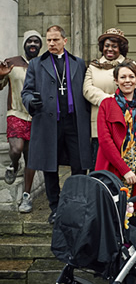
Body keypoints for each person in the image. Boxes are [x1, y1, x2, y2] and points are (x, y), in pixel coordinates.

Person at [21, 25, 92, 224]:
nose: (52, 43)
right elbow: (26, 92)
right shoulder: (36, 64)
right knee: (49, 166)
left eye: (56, 40)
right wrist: (30, 103)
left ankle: (76, 205)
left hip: (74, 122)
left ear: (65, 41)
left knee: (79, 165)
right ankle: (55, 207)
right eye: (49, 40)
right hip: (47, 122)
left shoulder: (78, 63)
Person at [95, 59, 136, 224]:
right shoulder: (106, 105)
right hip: (114, 169)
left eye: (131, 76)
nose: (127, 80)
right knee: (112, 215)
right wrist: (125, 170)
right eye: (123, 77)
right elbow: (105, 141)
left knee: (135, 216)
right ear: (116, 80)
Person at [83, 28, 136, 170]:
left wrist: (118, 101)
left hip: (124, 124)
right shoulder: (93, 66)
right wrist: (109, 100)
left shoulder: (130, 64)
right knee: (99, 166)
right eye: (107, 45)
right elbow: (87, 89)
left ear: (120, 48)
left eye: (114, 46)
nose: (110, 49)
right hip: (99, 125)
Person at [0, 30, 42, 213]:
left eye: (36, 42)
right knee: (16, 149)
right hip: (16, 112)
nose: (33, 44)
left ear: (40, 46)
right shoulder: (12, 62)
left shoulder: (44, 64)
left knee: (31, 155)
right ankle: (14, 164)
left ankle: (26, 196)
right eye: (29, 41)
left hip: (36, 116)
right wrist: (1, 75)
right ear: (24, 44)